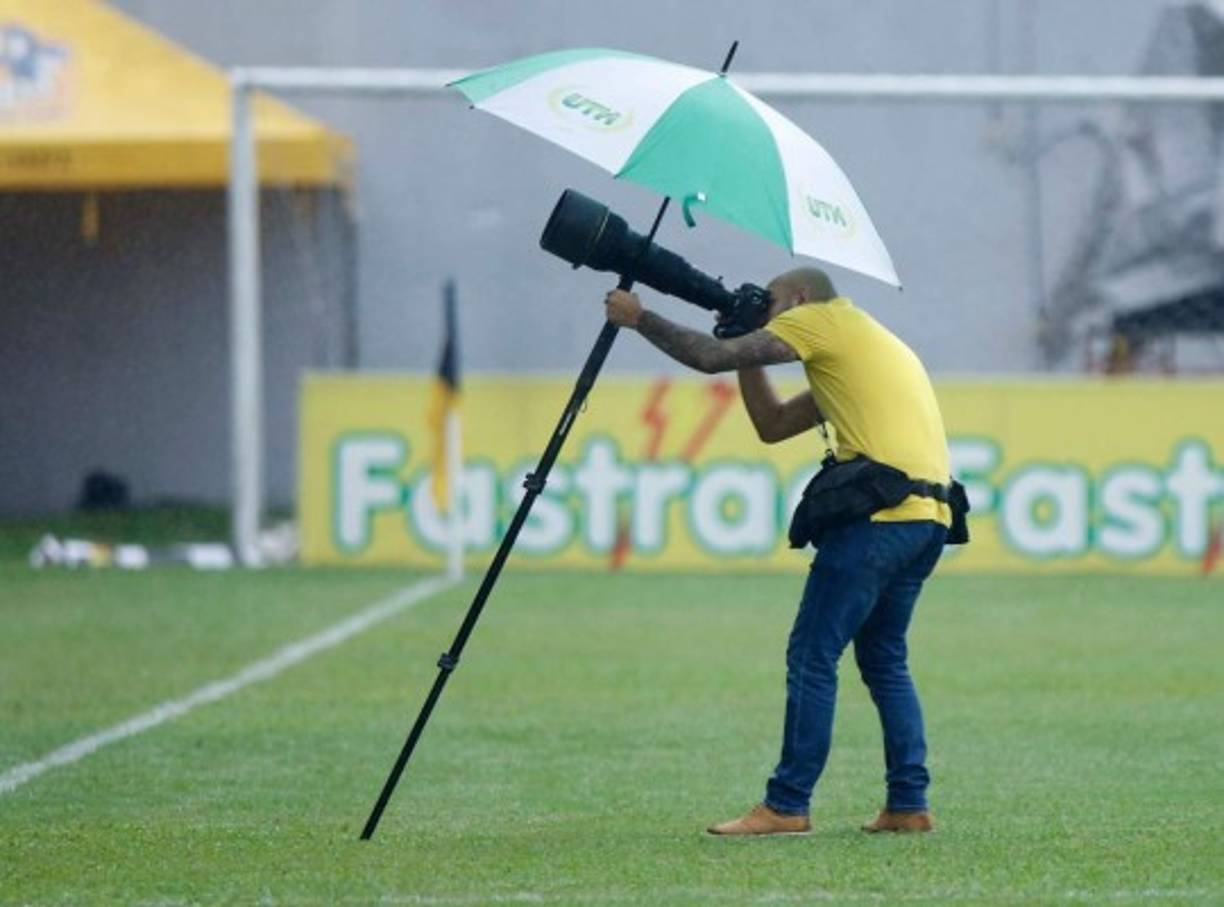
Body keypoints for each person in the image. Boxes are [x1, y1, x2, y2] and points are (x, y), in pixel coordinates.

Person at [604, 267, 951, 836]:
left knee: (812, 655)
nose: (768, 316)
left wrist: (638, 318)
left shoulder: (818, 321)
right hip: (927, 520)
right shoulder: (865, 341)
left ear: (800, 297)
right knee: (884, 660)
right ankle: (908, 804)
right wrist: (744, 348)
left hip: (879, 519)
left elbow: (708, 360)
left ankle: (788, 804)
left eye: (770, 304)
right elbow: (774, 424)